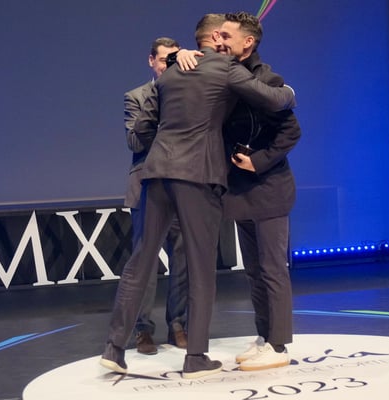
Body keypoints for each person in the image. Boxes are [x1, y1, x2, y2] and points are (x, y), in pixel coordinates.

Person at [100, 13, 296, 379]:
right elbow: (273, 99)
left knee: (139, 261)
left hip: (156, 171)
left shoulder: (170, 72)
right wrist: (290, 92)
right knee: (201, 268)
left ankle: (113, 349)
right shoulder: (225, 69)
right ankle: (196, 358)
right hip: (198, 175)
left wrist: (179, 58)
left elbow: (146, 126)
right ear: (217, 38)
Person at [220, 12, 301, 371]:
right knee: (254, 270)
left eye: (227, 36)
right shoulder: (226, 77)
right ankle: (265, 336)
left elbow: (291, 131)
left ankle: (279, 346)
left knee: (272, 269)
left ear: (247, 42)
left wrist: (260, 161)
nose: (220, 42)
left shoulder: (267, 80)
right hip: (241, 192)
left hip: (270, 189)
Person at [124, 37, 188, 355]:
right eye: (163, 60)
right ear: (151, 61)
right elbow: (135, 143)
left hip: (182, 185)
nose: (167, 66)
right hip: (148, 186)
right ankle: (142, 330)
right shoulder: (136, 97)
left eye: (173, 60)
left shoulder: (189, 94)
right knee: (145, 264)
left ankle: (178, 325)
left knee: (183, 260)